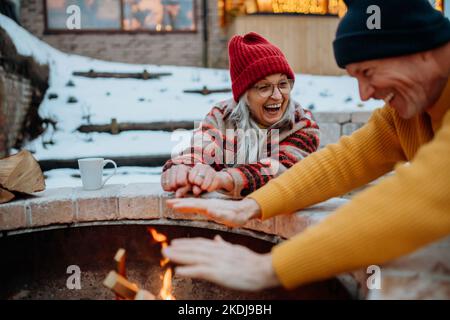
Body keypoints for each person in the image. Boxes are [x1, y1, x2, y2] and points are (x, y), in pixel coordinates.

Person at [162, 0, 450, 292]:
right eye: (262, 87)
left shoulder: (300, 122)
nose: (364, 94)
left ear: (420, 48)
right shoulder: (405, 114)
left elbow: (426, 190)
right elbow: (342, 162)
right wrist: (249, 204)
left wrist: (271, 267)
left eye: (368, 72)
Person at [161, 32, 320, 198]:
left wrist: (224, 179)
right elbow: (199, 151)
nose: (278, 96)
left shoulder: (302, 124)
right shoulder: (222, 116)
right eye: (264, 87)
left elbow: (281, 169)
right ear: (244, 95)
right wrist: (182, 169)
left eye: (283, 84)